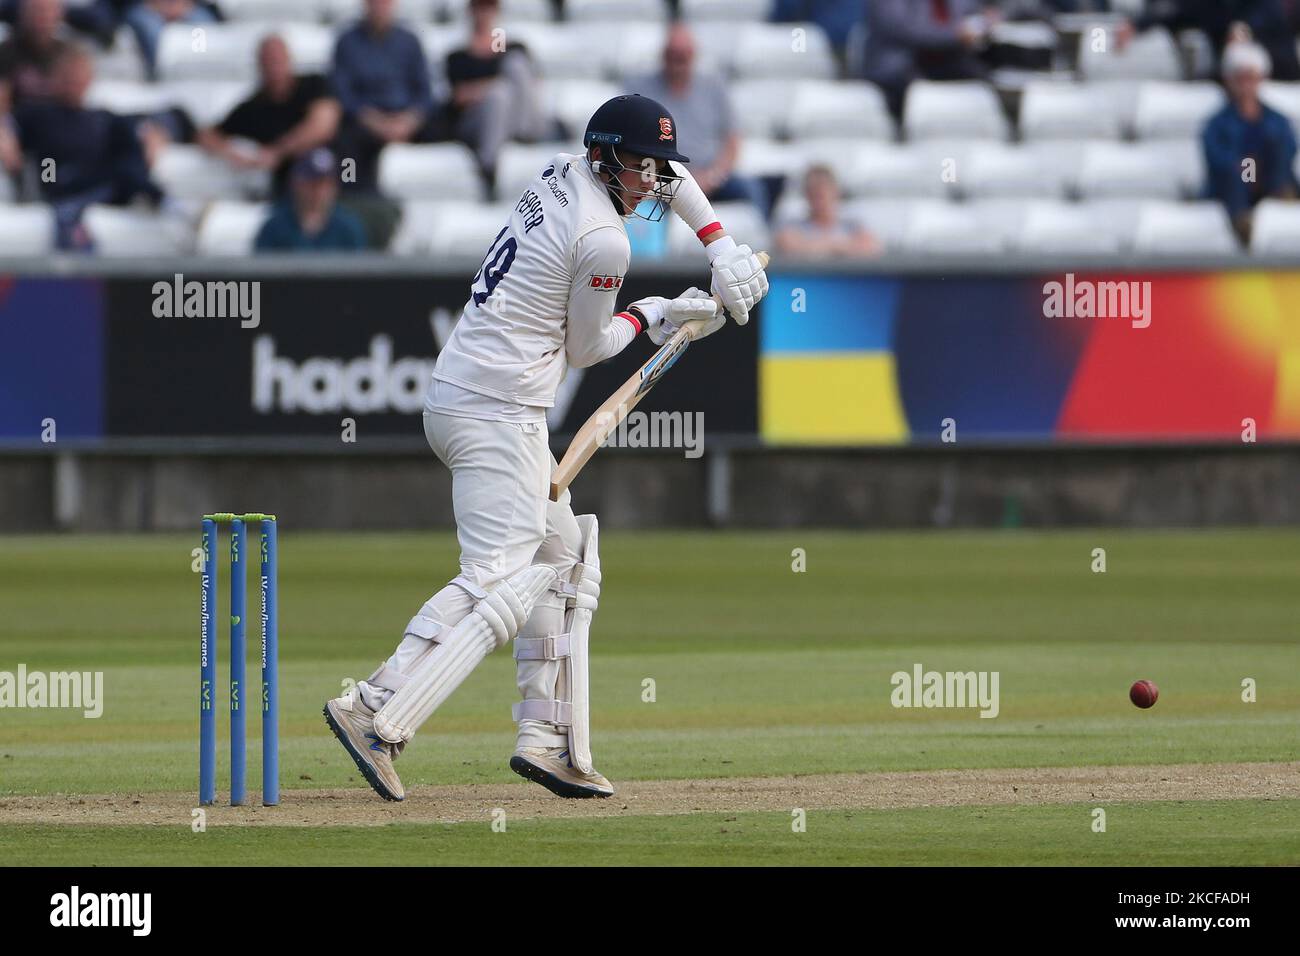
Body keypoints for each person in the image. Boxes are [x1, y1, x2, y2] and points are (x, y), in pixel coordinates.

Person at [323, 94, 769, 802]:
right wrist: (656, 314)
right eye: (636, 167)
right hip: (496, 412)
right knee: (498, 577)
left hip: (473, 396)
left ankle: (548, 740)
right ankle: (372, 708)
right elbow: (589, 349)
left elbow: (672, 178)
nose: (649, 181)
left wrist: (720, 244)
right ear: (603, 157)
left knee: (563, 557)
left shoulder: (562, 168)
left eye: (656, 167)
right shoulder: (604, 240)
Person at [12, 43, 164, 248]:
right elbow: (10, 125)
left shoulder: (101, 117)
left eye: (79, 74)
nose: (74, 81)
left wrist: (151, 133)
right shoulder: (37, 114)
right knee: (117, 170)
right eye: (69, 74)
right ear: (56, 76)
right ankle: (157, 198)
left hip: (101, 182)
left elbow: (166, 117)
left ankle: (157, 199)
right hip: (56, 177)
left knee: (127, 157)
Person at [630, 22, 764, 209]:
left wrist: (712, 176)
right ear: (663, 56)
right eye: (672, 56)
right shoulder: (641, 88)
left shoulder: (714, 86)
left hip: (710, 175)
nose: (677, 65)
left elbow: (732, 140)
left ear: (693, 56)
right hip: (660, 175)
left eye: (682, 57)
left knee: (749, 189)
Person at [198, 35, 341, 197]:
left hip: (335, 169)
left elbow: (323, 126)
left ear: (289, 59)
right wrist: (233, 154)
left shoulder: (313, 84)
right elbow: (207, 134)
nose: (274, 66)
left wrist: (277, 152)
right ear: (259, 64)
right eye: (268, 60)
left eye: (277, 59)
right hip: (285, 187)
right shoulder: (253, 108)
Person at [331, 0, 446, 193]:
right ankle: (355, 199)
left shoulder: (409, 41)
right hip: (366, 121)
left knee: (444, 130)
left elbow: (425, 91)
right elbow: (343, 94)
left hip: (407, 119)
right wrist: (375, 122)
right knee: (345, 147)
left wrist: (410, 120)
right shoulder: (347, 42)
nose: (379, 7)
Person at [443, 0, 556, 186]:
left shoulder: (509, 48)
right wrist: (492, 88)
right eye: (480, 7)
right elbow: (459, 97)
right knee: (499, 95)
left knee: (515, 66)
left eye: (490, 7)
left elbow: (529, 82)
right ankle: (489, 166)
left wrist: (486, 86)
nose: (485, 13)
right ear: (471, 11)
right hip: (476, 121)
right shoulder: (459, 57)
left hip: (513, 115)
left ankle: (527, 131)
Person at [1202, 40, 1298, 243]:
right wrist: (1247, 168)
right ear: (1230, 81)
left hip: (1269, 180)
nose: (1246, 85)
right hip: (1233, 189)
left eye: (1250, 77)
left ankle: (1281, 207)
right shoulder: (1216, 124)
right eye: (1240, 78)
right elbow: (1218, 159)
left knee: (1275, 156)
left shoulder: (1278, 121)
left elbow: (1287, 151)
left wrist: (1256, 168)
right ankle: (1243, 221)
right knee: (1237, 172)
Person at [860, 0, 1001, 117]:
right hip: (902, 64)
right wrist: (955, 35)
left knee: (984, 81)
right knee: (913, 86)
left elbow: (972, 14)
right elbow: (906, 31)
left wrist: (985, 20)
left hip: (949, 60)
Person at [253, 147, 367, 251]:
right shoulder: (275, 226)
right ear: (297, 183)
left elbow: (358, 269)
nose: (319, 192)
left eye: (326, 184)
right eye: (312, 184)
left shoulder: (348, 227)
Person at [776, 164, 881, 258]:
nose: (819, 199)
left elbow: (872, 246)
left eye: (823, 193)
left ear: (835, 192)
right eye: (814, 193)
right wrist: (841, 247)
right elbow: (787, 244)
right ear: (806, 195)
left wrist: (819, 247)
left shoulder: (852, 225)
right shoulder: (794, 226)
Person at [124, 0, 220, 80]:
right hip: (148, 8)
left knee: (203, 23)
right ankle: (161, 75)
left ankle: (202, 68)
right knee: (153, 30)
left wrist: (181, 6)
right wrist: (161, 8)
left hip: (185, 7)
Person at [0, 0, 70, 105]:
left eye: (48, 12)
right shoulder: (5, 52)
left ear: (60, 15)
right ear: (24, 14)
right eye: (37, 11)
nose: (43, 17)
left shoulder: (67, 54)